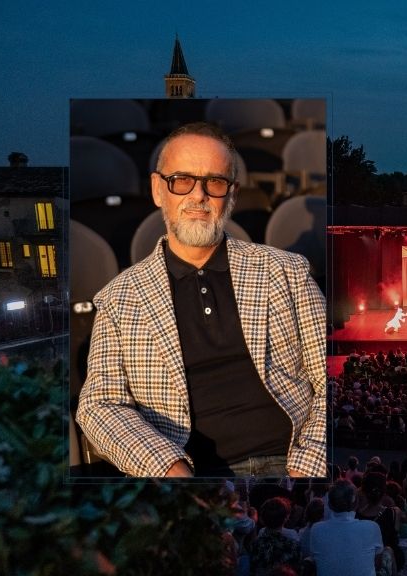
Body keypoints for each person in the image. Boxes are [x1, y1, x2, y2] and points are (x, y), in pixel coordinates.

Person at [77, 122, 327, 478]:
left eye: (215, 182)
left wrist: (309, 466)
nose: (199, 196)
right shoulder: (120, 299)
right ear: (157, 190)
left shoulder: (287, 272)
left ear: (232, 194)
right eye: (182, 180)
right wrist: (168, 468)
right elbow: (99, 405)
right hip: (188, 470)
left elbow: (333, 379)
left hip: (290, 461)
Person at [307, 480, 383, 576]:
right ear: (356, 503)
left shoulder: (316, 529)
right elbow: (377, 564)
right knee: (388, 552)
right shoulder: (372, 527)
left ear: (329, 504)